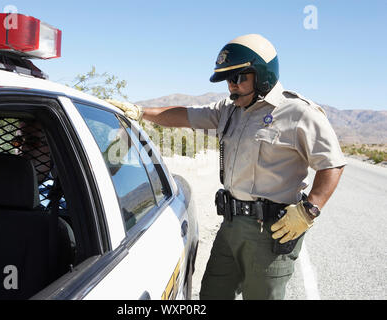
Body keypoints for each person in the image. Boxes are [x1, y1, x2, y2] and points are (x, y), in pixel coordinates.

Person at [106, 34, 346, 300]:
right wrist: (140, 112)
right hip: (231, 226)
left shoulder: (299, 113)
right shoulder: (229, 110)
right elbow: (185, 115)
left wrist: (309, 210)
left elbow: (331, 163)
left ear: (262, 75)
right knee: (211, 295)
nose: (232, 86)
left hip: (272, 232)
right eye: (228, 80)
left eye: (239, 77)